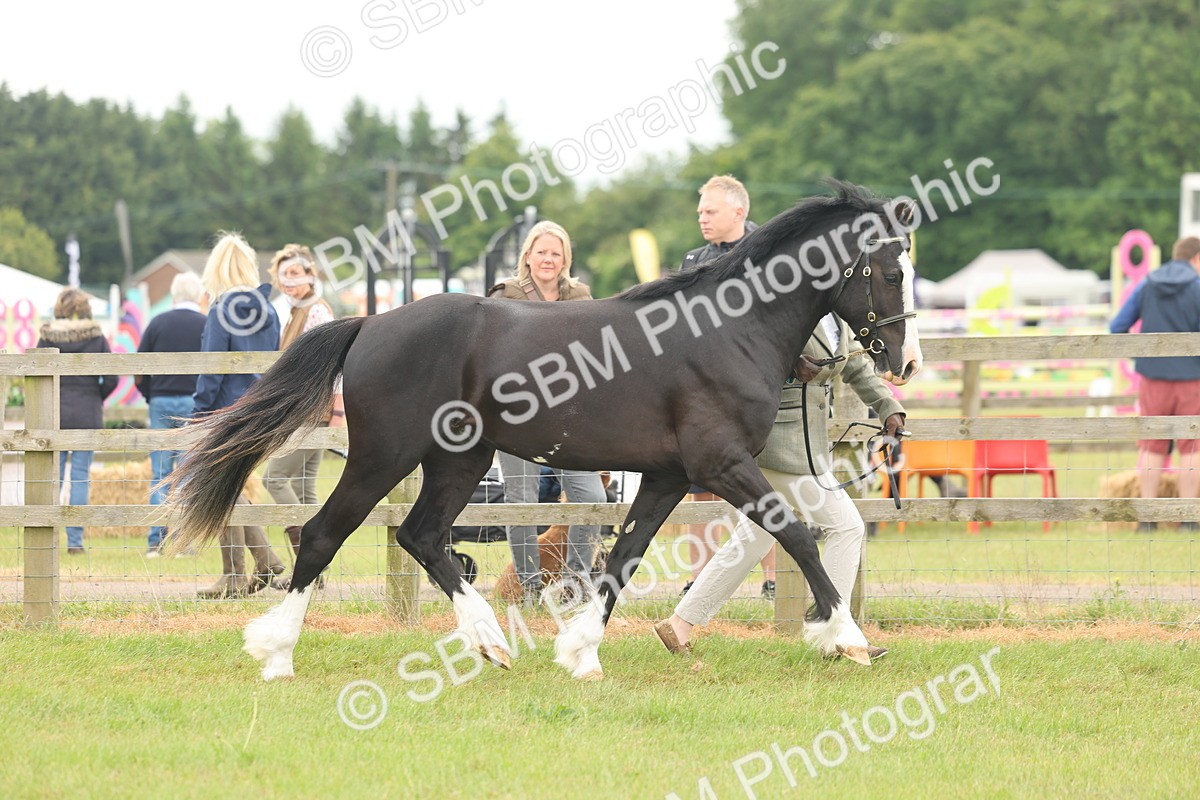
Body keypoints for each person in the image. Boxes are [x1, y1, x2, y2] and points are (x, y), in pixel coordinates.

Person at [655, 312, 906, 661]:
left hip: (808, 444)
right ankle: (836, 632)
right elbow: (745, 354)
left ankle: (680, 624)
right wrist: (791, 365)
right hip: (778, 442)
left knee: (755, 535)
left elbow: (856, 367)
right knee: (846, 525)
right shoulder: (790, 304)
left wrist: (889, 408)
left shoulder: (838, 317)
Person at [487, 220, 608, 605]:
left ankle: (574, 584)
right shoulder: (507, 293)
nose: (548, 259)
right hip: (517, 414)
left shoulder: (581, 297)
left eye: (556, 253)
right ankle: (529, 586)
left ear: (565, 259)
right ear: (528, 255)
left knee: (592, 496)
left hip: (571, 416)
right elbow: (489, 351)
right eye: (541, 251)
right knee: (521, 500)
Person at [677, 175, 774, 597]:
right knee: (698, 485)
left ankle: (774, 579)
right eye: (700, 211)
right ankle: (698, 577)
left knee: (765, 486)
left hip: (754, 393)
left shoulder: (769, 254)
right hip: (703, 392)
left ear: (739, 211)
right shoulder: (694, 259)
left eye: (710, 211)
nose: (702, 218)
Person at [193, 232, 287, 597]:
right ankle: (261, 563)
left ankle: (239, 572)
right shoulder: (270, 309)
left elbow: (213, 367)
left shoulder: (220, 309)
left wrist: (200, 411)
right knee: (231, 486)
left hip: (225, 410)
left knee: (222, 487)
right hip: (261, 407)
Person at [1110, 235, 1200, 531]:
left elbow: (1117, 326)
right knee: (1191, 447)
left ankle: (1147, 519)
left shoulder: (1147, 283)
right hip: (1192, 378)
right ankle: (1188, 519)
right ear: (1196, 258)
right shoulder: (1198, 286)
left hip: (1152, 379)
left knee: (1151, 445)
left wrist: (1143, 356)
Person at [262, 244, 344, 567]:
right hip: (307, 411)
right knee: (304, 489)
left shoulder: (317, 312)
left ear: (310, 275)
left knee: (274, 479)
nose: (288, 282)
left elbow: (334, 364)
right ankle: (313, 570)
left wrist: (338, 411)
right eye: (283, 276)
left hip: (312, 412)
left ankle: (306, 562)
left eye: (294, 274)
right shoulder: (298, 312)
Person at [36, 288, 118, 555]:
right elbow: (113, 378)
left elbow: (36, 373)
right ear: (86, 309)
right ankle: (75, 542)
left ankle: (48, 537)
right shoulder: (96, 337)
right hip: (87, 413)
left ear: (59, 308)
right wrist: (96, 396)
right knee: (81, 477)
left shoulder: (47, 336)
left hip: (54, 413)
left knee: (53, 477)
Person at [136, 272, 207, 556]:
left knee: (160, 473)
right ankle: (184, 541)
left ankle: (156, 541)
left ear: (174, 295)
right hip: (194, 401)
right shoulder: (205, 324)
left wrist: (151, 396)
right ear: (199, 295)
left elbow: (139, 373)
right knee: (188, 472)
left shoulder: (157, 322)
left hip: (162, 400)